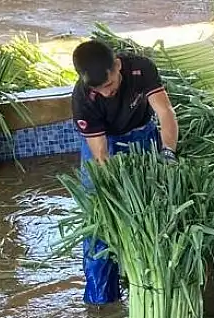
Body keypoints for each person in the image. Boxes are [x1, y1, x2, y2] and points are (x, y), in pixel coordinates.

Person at [70, 39, 180, 304]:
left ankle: (151, 285)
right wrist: (114, 194)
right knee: (100, 219)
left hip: (143, 137)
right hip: (106, 144)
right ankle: (102, 298)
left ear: (117, 66)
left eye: (109, 84)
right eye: (99, 88)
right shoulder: (83, 98)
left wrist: (168, 154)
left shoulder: (140, 69)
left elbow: (165, 113)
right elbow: (101, 155)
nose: (107, 92)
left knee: (156, 209)